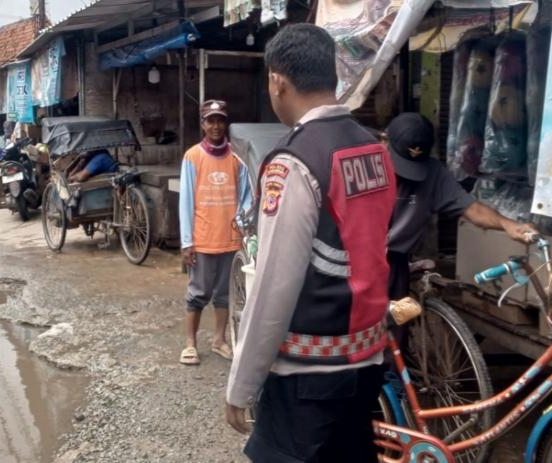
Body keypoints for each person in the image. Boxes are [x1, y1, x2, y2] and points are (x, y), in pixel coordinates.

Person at [225, 24, 397, 462]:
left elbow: (273, 287)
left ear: (277, 81)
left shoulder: (294, 161)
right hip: (367, 361)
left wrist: (241, 385)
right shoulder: (373, 150)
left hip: (307, 378)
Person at [385, 112, 538, 299]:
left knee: (395, 321)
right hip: (361, 258)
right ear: (384, 141)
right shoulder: (364, 165)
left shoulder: (434, 173)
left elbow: (472, 208)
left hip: (395, 261)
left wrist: (508, 224)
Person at [179, 99, 252, 366]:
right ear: (203, 124)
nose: (216, 126)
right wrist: (187, 241)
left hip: (231, 239)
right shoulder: (193, 157)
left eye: (221, 120)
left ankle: (219, 340)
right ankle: (190, 344)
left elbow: (246, 198)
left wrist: (246, 232)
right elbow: (186, 201)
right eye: (211, 120)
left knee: (224, 294)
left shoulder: (237, 157)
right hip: (202, 239)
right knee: (197, 293)